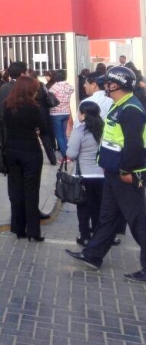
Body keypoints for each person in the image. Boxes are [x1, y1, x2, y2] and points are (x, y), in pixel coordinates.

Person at [66, 66, 146, 283]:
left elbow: (135, 144)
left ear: (116, 85)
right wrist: (104, 162)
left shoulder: (131, 110)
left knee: (138, 221)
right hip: (112, 172)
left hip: (125, 175)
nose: (104, 86)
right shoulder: (118, 106)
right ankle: (93, 255)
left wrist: (127, 171)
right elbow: (112, 139)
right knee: (108, 218)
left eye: (107, 83)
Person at [2, 75, 56, 242]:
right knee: (31, 191)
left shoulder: (6, 105)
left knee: (16, 190)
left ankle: (18, 228)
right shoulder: (33, 107)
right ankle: (33, 230)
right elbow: (44, 129)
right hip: (30, 151)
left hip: (12, 150)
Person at [66, 101, 105, 246]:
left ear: (83, 114)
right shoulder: (103, 129)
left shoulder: (79, 131)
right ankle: (97, 234)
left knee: (83, 208)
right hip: (101, 175)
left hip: (84, 176)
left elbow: (71, 153)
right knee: (98, 207)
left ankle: (85, 236)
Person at [48, 70, 74, 159]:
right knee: (64, 134)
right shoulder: (69, 87)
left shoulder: (54, 88)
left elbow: (49, 96)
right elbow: (72, 89)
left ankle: (65, 156)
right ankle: (68, 153)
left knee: (59, 136)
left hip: (56, 113)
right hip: (66, 112)